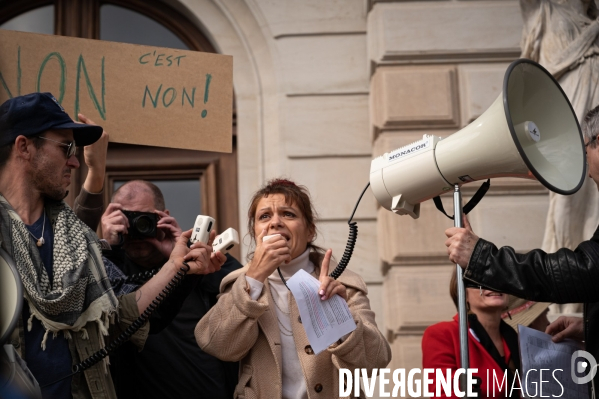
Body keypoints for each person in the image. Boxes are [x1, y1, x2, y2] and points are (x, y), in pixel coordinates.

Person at [0, 92, 222, 399]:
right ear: (24, 147)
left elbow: (119, 315)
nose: (75, 161)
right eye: (66, 147)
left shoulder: (75, 237)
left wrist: (175, 265)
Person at [444, 104, 599, 389]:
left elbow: (584, 270)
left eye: (586, 148)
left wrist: (483, 257)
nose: (586, 166)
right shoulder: (445, 334)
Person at [195, 178, 391, 398]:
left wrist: (340, 315)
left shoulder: (344, 284)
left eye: (288, 214)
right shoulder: (240, 285)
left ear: (310, 231)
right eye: (264, 216)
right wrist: (255, 277)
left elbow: (376, 362)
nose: (275, 222)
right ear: (255, 231)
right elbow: (218, 345)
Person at [100, 180, 242, 399]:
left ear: (162, 217)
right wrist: (108, 250)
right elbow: (107, 313)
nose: (136, 228)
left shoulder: (191, 256)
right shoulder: (111, 268)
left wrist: (181, 255)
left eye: (144, 219)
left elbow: (241, 289)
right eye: (127, 219)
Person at [422, 273, 520, 398]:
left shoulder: (517, 339)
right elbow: (444, 394)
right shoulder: (442, 334)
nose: (494, 285)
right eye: (481, 279)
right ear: (464, 294)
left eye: (499, 278)